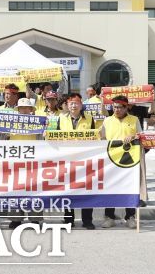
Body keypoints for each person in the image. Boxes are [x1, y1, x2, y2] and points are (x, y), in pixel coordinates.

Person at [99, 95, 142, 229]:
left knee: (129, 188)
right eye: (114, 107)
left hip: (129, 160)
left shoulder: (134, 120)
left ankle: (130, 216)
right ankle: (109, 217)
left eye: (119, 107)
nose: (116, 110)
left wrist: (134, 136)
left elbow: (142, 136)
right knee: (110, 188)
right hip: (111, 159)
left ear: (126, 107)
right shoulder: (107, 121)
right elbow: (102, 139)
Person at [60, 93, 96, 230]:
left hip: (85, 160)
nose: (74, 105)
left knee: (87, 190)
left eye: (76, 103)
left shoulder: (89, 118)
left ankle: (87, 220)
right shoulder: (61, 119)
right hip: (67, 160)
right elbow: (55, 137)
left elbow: (95, 137)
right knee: (68, 191)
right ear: (67, 106)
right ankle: (68, 220)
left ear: (81, 105)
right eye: (71, 103)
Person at [8, 97, 44, 229]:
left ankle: (35, 219)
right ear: (18, 110)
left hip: (33, 160)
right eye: (21, 108)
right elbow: (1, 138)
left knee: (34, 189)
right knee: (15, 190)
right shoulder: (10, 123)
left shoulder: (37, 122)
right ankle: (16, 218)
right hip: (15, 160)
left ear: (31, 110)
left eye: (26, 108)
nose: (23, 110)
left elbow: (42, 141)